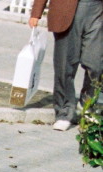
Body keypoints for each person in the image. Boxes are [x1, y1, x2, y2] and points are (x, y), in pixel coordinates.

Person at [30, 0, 103, 130]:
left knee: (96, 65)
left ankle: (86, 106)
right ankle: (64, 112)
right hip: (66, 11)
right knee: (65, 66)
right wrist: (36, 13)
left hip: (97, 10)